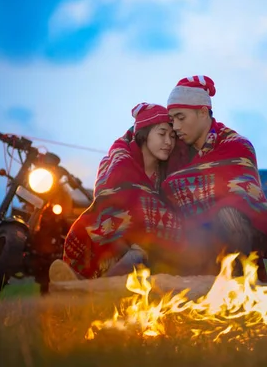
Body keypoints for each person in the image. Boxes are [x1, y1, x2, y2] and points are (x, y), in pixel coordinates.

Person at [161, 75, 267, 280]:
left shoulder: (236, 145)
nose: (175, 127)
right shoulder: (176, 150)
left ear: (202, 112)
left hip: (231, 236)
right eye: (172, 120)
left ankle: (239, 289)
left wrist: (172, 184)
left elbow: (238, 195)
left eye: (181, 118)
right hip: (189, 241)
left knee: (230, 212)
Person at [50, 103, 182, 282]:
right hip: (114, 238)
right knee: (91, 229)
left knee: (142, 249)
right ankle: (86, 282)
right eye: (162, 134)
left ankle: (92, 288)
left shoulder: (170, 173)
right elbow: (106, 205)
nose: (168, 142)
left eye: (172, 136)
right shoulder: (117, 164)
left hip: (153, 245)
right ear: (143, 135)